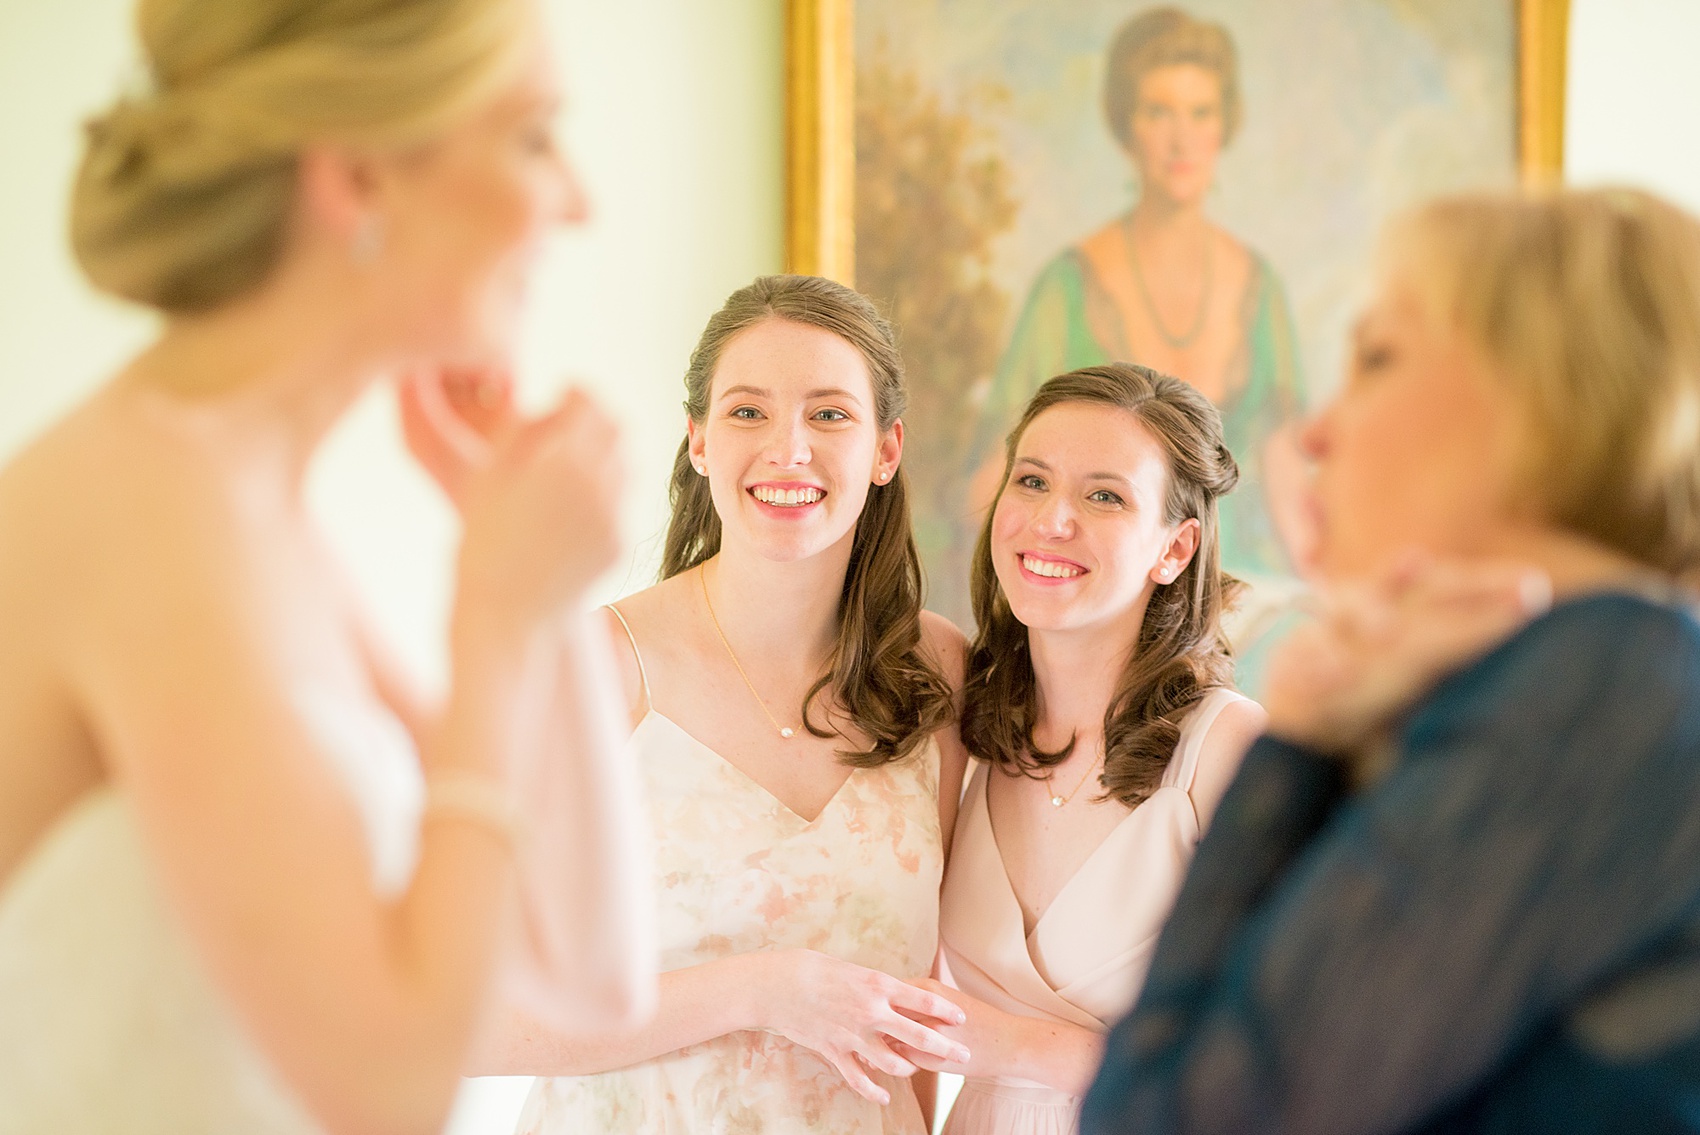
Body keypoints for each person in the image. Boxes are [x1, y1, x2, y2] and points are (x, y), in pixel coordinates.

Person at [0, 1, 653, 1132]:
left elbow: (590, 973)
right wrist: (491, 617)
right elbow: (387, 1090)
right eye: (535, 136)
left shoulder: (253, 512)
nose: (578, 201)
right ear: (361, 179)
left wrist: (539, 601)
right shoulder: (155, 516)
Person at [1081, 186, 1700, 1134]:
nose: (1316, 434)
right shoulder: (1600, 677)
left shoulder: (1600, 685)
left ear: (1544, 395)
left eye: (1376, 359)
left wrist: (1290, 753)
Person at [482, 275, 974, 1134]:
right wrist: (762, 990)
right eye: (749, 411)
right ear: (699, 440)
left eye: (829, 414)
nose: (789, 449)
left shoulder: (937, 674)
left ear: (886, 450)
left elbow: (916, 1005)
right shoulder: (595, 667)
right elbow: (474, 1019)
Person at [900, 364, 1264, 1134]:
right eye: (1031, 481)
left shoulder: (1225, 748)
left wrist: (1002, 1042)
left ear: (1175, 548)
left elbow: (1274, 1055)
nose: (1051, 520)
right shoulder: (965, 731)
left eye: (1104, 495)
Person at [967, 8, 1308, 629]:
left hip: (1242, 596)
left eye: (1200, 112)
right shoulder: (1067, 288)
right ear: (1127, 125)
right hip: (1099, 594)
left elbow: (1289, 483)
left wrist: (1335, 602)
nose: (1181, 139)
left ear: (1224, 125)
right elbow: (993, 480)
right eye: (1158, 112)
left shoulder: (1260, 289)